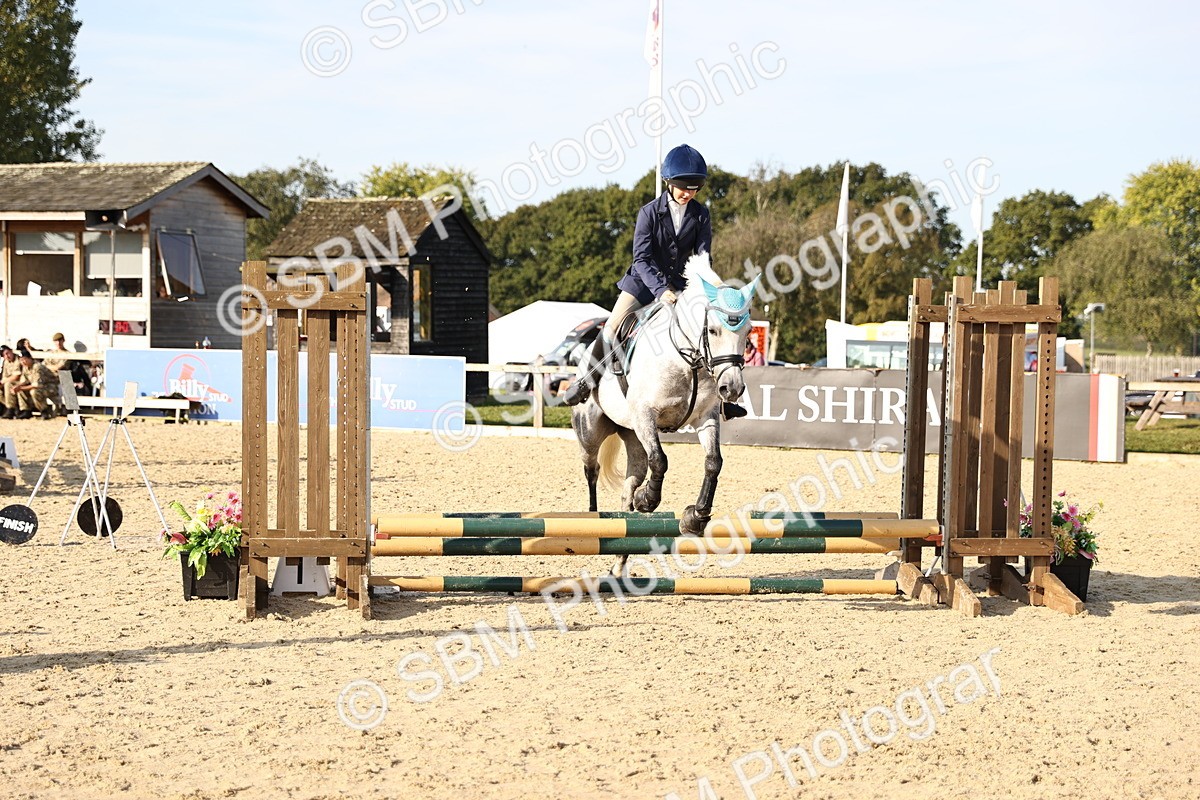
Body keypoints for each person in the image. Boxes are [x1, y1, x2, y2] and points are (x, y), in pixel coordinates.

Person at [564, 144, 746, 418]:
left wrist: (711, 285)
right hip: (642, 282)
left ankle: (722, 401)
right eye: (684, 187)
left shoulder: (701, 214)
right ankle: (586, 380)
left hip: (685, 285)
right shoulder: (648, 213)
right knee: (613, 326)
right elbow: (641, 258)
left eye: (694, 188)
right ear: (668, 183)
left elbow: (702, 257)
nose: (689, 194)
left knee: (711, 328)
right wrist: (661, 290)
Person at [12, 349, 60, 419]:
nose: (23, 362)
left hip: (51, 387)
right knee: (20, 390)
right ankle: (25, 411)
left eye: (25, 359)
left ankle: (44, 412)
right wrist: (17, 387)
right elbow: (24, 381)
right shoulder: (26, 367)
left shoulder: (37, 367)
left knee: (34, 392)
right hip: (41, 387)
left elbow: (37, 385)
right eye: (21, 360)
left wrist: (20, 388)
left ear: (30, 358)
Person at [1, 346, 22, 418]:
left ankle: (10, 409)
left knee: (8, 384)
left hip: (20, 382)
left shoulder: (18, 360)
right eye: (4, 355)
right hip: (9, 381)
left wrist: (3, 382)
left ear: (11, 351)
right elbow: (4, 375)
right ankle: (12, 407)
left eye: (7, 353)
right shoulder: (6, 362)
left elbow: (16, 376)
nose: (6, 356)